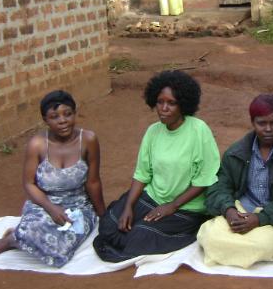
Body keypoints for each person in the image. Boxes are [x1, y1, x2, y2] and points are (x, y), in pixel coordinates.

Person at [93, 71, 220, 262]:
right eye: (160, 102)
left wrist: (172, 206)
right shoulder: (153, 131)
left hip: (186, 207)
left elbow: (205, 178)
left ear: (183, 104)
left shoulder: (199, 130)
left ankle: (178, 231)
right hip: (153, 197)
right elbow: (142, 174)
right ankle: (125, 237)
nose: (164, 108)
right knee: (110, 224)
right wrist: (129, 207)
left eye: (171, 103)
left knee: (140, 236)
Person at [0, 91, 105, 267]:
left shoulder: (88, 140)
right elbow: (29, 184)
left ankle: (19, 237)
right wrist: (51, 208)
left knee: (62, 247)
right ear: (45, 120)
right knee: (33, 227)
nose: (62, 121)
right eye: (54, 117)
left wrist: (103, 216)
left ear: (75, 114)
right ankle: (11, 240)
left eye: (68, 114)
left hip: (78, 206)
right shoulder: (37, 144)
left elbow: (93, 182)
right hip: (43, 203)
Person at [198, 94, 273, 268]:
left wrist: (260, 219)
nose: (268, 129)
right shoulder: (236, 151)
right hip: (241, 211)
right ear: (253, 122)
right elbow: (219, 186)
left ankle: (235, 251)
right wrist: (229, 211)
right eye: (261, 123)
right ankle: (241, 250)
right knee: (209, 236)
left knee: (263, 244)